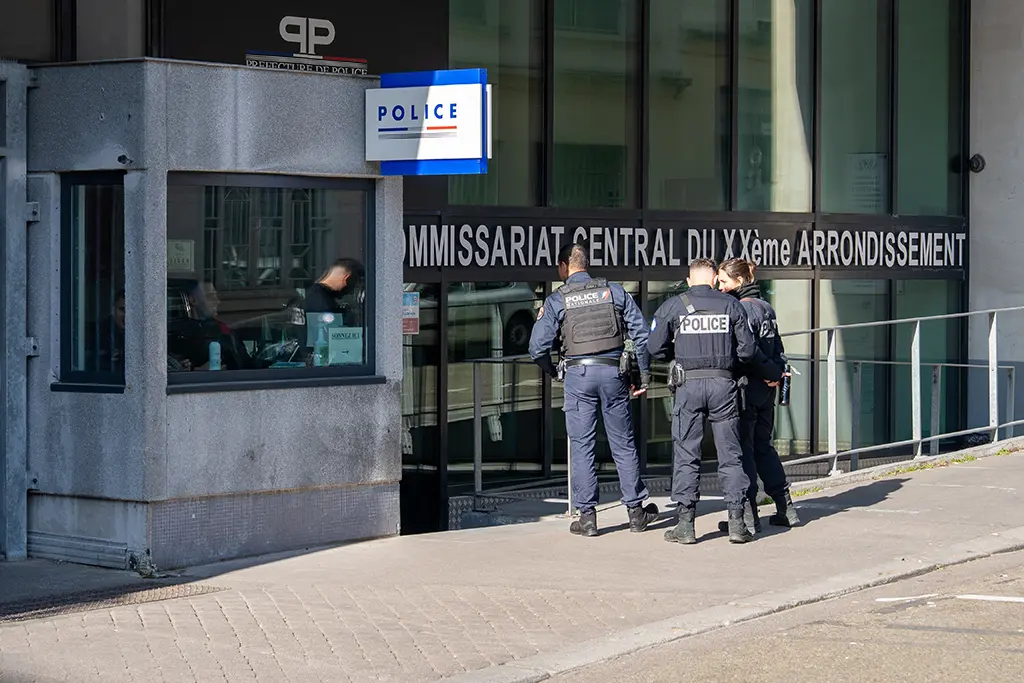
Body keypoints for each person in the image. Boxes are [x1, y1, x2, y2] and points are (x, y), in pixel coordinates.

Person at [528, 242, 659, 537]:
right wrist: (645, 375)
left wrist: (552, 371)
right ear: (586, 264)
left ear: (564, 267)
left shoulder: (557, 300)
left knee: (582, 445)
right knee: (623, 443)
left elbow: (536, 347)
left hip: (578, 375)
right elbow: (642, 334)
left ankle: (587, 518)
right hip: (614, 372)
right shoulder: (614, 291)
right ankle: (636, 513)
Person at [648, 258, 782, 545]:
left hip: (688, 386)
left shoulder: (675, 305)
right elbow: (746, 351)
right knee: (731, 455)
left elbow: (654, 348)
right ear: (712, 280)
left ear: (688, 280)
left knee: (687, 454)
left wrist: (679, 346)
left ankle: (685, 525)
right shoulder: (731, 305)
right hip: (724, 385)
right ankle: (737, 523)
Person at [717, 258, 800, 530]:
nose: (720, 286)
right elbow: (777, 348)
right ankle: (786, 507)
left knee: (744, 452)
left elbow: (744, 352)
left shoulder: (738, 309)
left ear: (739, 281)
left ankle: (748, 516)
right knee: (764, 447)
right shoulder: (766, 308)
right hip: (766, 390)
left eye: (724, 281)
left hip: (745, 389)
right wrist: (775, 374)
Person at [306, 258, 366, 326]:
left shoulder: (315, 294)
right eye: (354, 284)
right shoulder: (321, 299)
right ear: (348, 279)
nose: (351, 291)